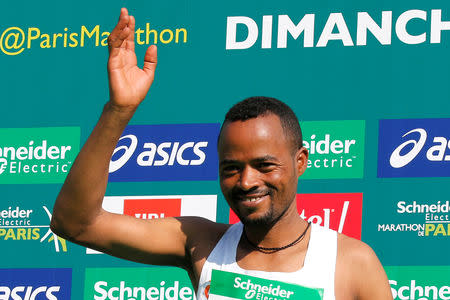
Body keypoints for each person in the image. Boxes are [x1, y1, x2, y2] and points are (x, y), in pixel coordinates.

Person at [50, 8, 393, 300]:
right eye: (231, 168)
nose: (246, 181)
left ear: (300, 161)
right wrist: (118, 110)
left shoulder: (352, 263)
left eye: (264, 165)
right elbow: (75, 224)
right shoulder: (200, 242)